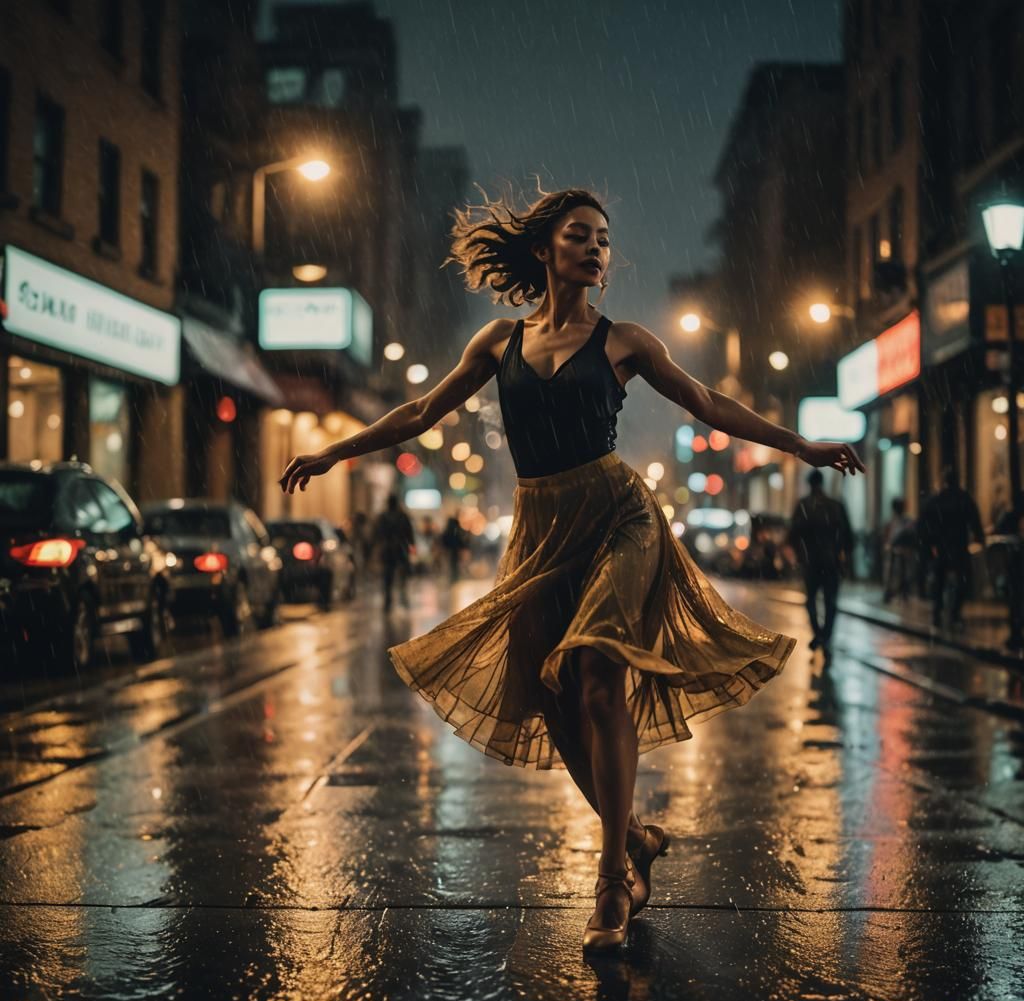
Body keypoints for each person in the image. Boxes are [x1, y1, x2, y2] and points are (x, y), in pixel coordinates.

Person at [278, 188, 865, 954]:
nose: (595, 249)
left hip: (620, 517)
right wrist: (334, 451)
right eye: (579, 236)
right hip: (540, 529)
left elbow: (707, 402)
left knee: (595, 673)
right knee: (550, 700)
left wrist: (802, 446)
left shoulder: (626, 343)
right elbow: (420, 412)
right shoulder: (498, 342)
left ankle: (610, 884)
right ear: (544, 250)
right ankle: (635, 838)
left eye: (603, 240)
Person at [787, 470, 854, 660]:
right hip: (831, 562)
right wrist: (842, 555)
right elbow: (848, 536)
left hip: (811, 562)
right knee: (830, 603)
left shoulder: (804, 506)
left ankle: (819, 634)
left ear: (809, 484)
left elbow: (793, 535)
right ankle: (825, 637)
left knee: (811, 602)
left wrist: (801, 555)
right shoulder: (836, 505)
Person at [918, 467, 984, 629]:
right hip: (959, 545)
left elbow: (925, 523)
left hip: (941, 547)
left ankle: (937, 613)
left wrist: (929, 544)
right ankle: (955, 613)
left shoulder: (938, 499)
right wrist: (979, 537)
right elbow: (974, 520)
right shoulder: (963, 498)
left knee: (940, 580)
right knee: (963, 580)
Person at [373, 494, 416, 612]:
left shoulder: (383, 517)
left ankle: (388, 601)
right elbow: (409, 532)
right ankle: (403, 598)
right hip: (400, 549)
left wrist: (377, 547)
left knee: (388, 576)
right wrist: (412, 545)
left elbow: (377, 534)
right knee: (402, 574)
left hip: (388, 549)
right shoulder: (402, 516)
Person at [881, 497, 917, 602]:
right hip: (897, 552)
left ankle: (899, 593)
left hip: (901, 552)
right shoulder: (895, 522)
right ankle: (893, 593)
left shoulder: (904, 521)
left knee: (901, 574)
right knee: (896, 574)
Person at [440, 514, 469, 582]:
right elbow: (460, 541)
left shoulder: (447, 531)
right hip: (454, 551)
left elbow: (443, 541)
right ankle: (454, 579)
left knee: (450, 567)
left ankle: (452, 580)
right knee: (454, 566)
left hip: (449, 552)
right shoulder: (456, 531)